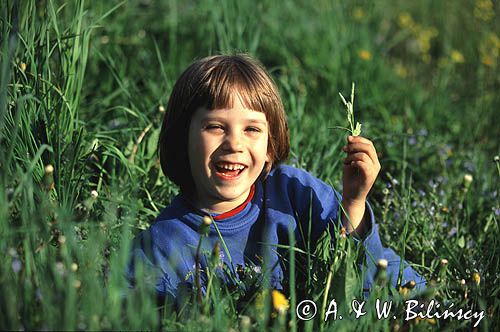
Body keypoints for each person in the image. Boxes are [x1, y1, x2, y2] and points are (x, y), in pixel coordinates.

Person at [127, 54, 425, 305]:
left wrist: (354, 202)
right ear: (182, 138)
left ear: (270, 147)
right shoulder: (164, 243)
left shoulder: (295, 194)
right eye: (216, 126)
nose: (234, 143)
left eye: (252, 130)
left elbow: (363, 276)